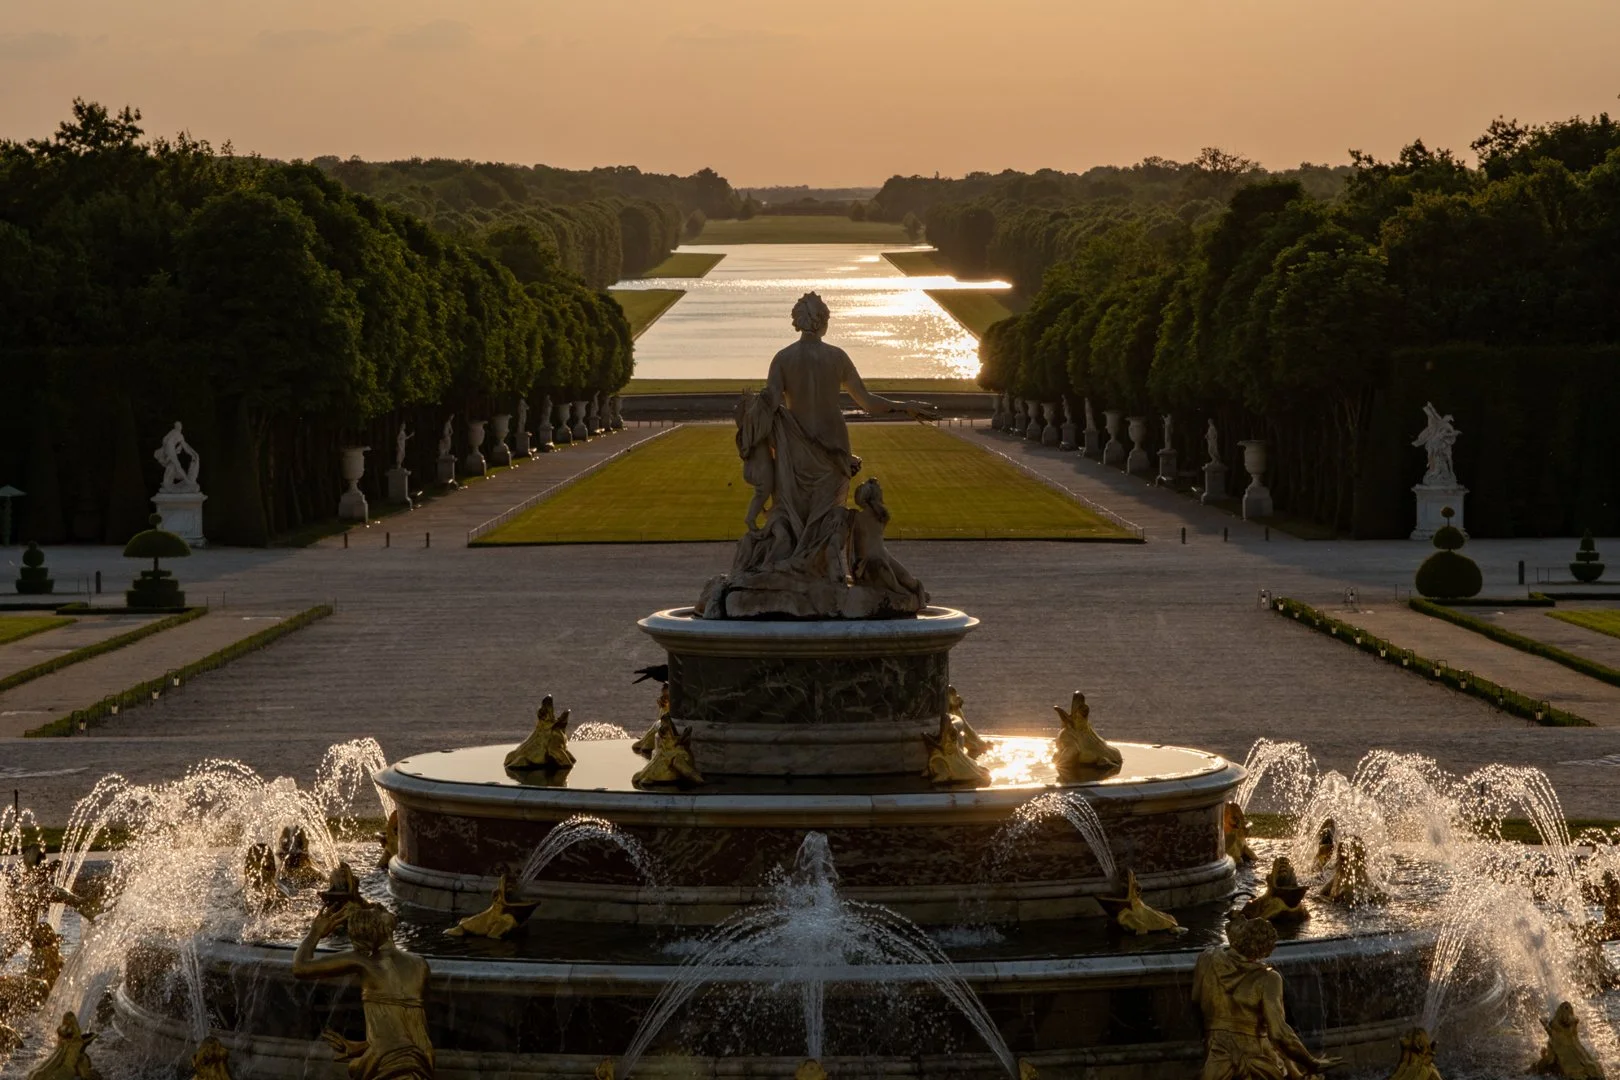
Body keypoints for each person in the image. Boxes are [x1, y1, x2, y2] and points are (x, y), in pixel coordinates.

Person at [292, 905, 433, 1080]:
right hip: (421, 1060)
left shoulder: (363, 961)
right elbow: (406, 1026)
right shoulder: (420, 965)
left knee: (354, 1067)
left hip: (389, 1063)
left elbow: (300, 967)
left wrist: (315, 933)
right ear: (385, 926)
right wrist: (359, 1047)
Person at [1192, 915, 1339, 1080]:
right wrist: (1311, 1062)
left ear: (1239, 937)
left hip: (1215, 1058)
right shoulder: (1269, 979)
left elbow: (1195, 1000)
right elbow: (1279, 1033)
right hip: (1256, 1062)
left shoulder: (1207, 959)